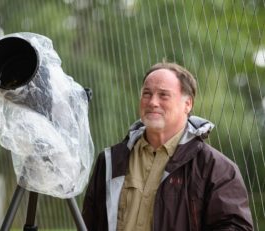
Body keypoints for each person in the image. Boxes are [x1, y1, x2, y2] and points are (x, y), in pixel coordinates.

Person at [82, 62, 253, 231]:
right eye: (147, 94)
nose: (153, 102)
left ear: (188, 104)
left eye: (163, 95)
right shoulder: (111, 160)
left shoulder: (216, 169)